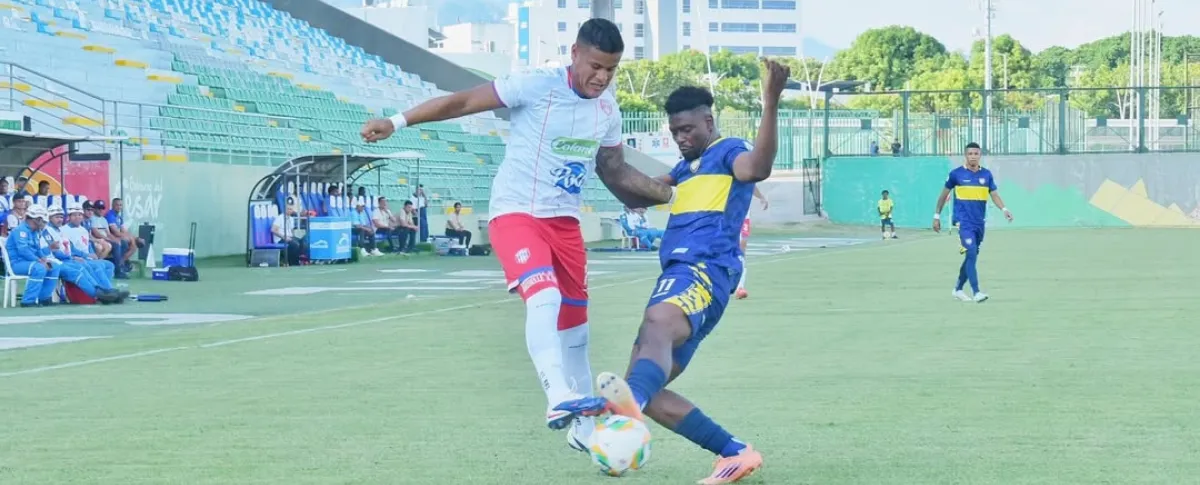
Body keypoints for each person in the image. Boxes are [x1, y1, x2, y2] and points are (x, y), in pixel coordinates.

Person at [359, 18, 672, 450]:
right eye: (596, 65)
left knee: (576, 328)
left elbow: (614, 170)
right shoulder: (535, 84)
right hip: (517, 213)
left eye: (611, 70)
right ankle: (557, 396)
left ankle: (584, 433)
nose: (601, 77)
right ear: (576, 53)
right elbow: (464, 101)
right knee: (543, 297)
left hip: (565, 224)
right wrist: (397, 121)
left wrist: (666, 192)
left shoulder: (607, 110)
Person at [555, 60, 790, 485]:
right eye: (675, 132)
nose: (681, 138)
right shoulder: (683, 172)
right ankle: (735, 453)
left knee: (657, 322)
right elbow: (632, 191)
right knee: (646, 388)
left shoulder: (728, 152)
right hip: (687, 278)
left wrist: (771, 100)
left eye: (688, 130)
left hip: (703, 271)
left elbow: (757, 168)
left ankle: (625, 406)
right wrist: (600, 154)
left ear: (708, 121)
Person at [933, 142, 1014, 302]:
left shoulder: (986, 175)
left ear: (980, 155)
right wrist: (936, 216)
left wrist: (1004, 209)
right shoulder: (956, 174)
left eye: (976, 154)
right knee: (970, 252)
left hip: (979, 223)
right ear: (965, 155)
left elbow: (994, 195)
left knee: (972, 256)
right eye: (970, 154)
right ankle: (976, 292)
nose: (973, 157)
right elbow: (943, 196)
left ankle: (957, 289)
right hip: (963, 222)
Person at [44, 205, 125, 304]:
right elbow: (56, 252)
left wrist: (85, 255)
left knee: (104, 265)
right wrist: (74, 257)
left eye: (61, 217)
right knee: (84, 267)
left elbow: (71, 247)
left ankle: (106, 291)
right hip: (59, 261)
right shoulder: (48, 231)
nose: (60, 219)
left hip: (68, 259)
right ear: (49, 218)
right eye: (56, 217)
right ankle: (99, 294)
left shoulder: (60, 230)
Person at [6, 206, 60, 307]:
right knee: (39, 268)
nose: (44, 223)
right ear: (36, 219)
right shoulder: (20, 230)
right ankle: (27, 301)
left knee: (54, 267)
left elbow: (38, 249)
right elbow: (23, 251)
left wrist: (43, 258)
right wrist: (39, 260)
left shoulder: (35, 232)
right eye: (42, 221)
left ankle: (43, 298)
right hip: (17, 264)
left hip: (30, 262)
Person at [733, 187, 767, 300]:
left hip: (743, 216)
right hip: (727, 216)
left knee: (742, 247)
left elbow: (750, 184)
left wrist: (761, 197)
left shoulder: (743, 174)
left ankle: (740, 287)